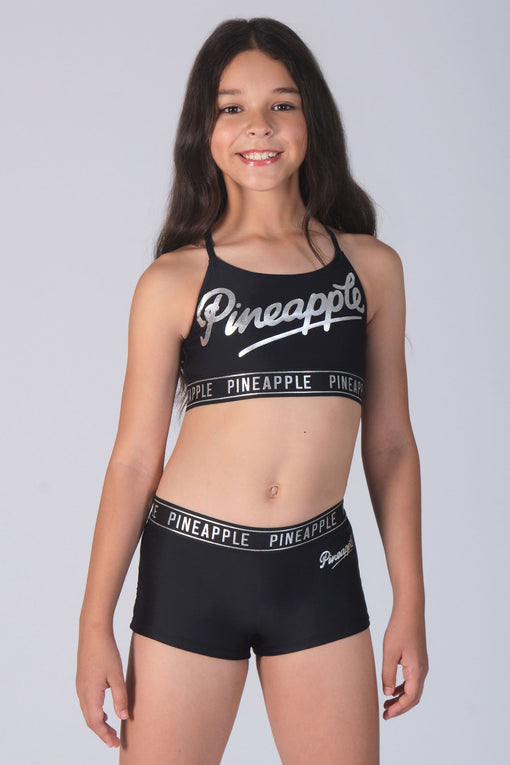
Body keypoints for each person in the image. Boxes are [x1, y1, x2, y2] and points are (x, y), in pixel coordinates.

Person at [76, 17, 428, 765]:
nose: (258, 125)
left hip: (318, 573)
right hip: (192, 570)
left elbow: (392, 445)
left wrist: (411, 602)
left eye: (282, 104)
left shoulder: (372, 270)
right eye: (231, 107)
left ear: (312, 118)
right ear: (203, 130)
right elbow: (134, 460)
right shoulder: (174, 280)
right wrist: (93, 622)